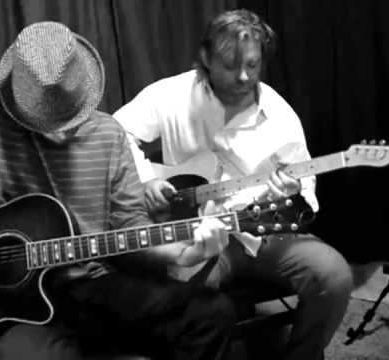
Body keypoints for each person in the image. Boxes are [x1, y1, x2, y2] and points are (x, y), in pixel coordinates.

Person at [0, 21, 237, 360]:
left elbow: (131, 228)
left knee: (211, 313)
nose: (53, 132)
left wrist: (181, 253)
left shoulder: (108, 135)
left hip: (88, 285)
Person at [114, 9, 353, 360]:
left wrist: (289, 195)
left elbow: (305, 195)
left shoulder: (279, 114)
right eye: (230, 65)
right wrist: (147, 180)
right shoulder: (171, 95)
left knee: (334, 276)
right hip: (198, 235)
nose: (243, 76)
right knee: (179, 294)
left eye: (253, 66)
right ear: (207, 58)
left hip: (263, 232)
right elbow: (115, 132)